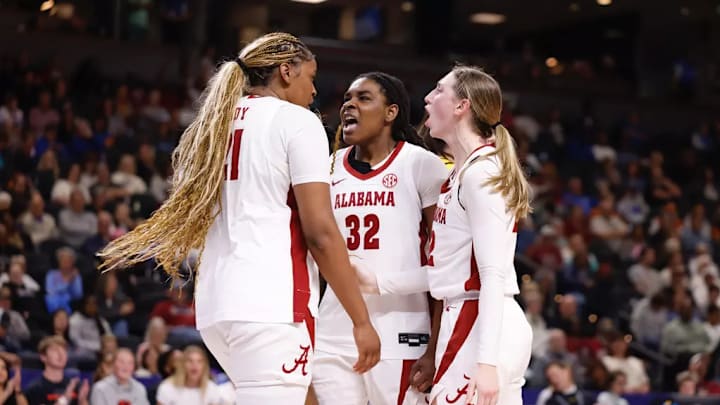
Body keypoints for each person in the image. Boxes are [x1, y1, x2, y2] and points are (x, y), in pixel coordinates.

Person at [97, 32, 380, 404]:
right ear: (286, 71)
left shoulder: (212, 126)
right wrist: (361, 320)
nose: (315, 92)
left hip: (218, 305)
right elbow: (321, 234)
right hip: (273, 306)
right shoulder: (297, 121)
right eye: (311, 78)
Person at [312, 72, 447, 404]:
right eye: (347, 98)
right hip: (334, 332)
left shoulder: (423, 166)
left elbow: (447, 266)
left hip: (401, 334)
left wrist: (434, 349)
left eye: (363, 98)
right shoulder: (327, 168)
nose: (350, 105)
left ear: (391, 112)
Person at [422, 66, 533, 405]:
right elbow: (449, 267)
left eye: (439, 90)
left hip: (480, 324)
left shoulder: (480, 172)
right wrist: (377, 280)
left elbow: (492, 273)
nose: (428, 98)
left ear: (462, 106)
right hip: (472, 318)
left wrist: (485, 363)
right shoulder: (463, 171)